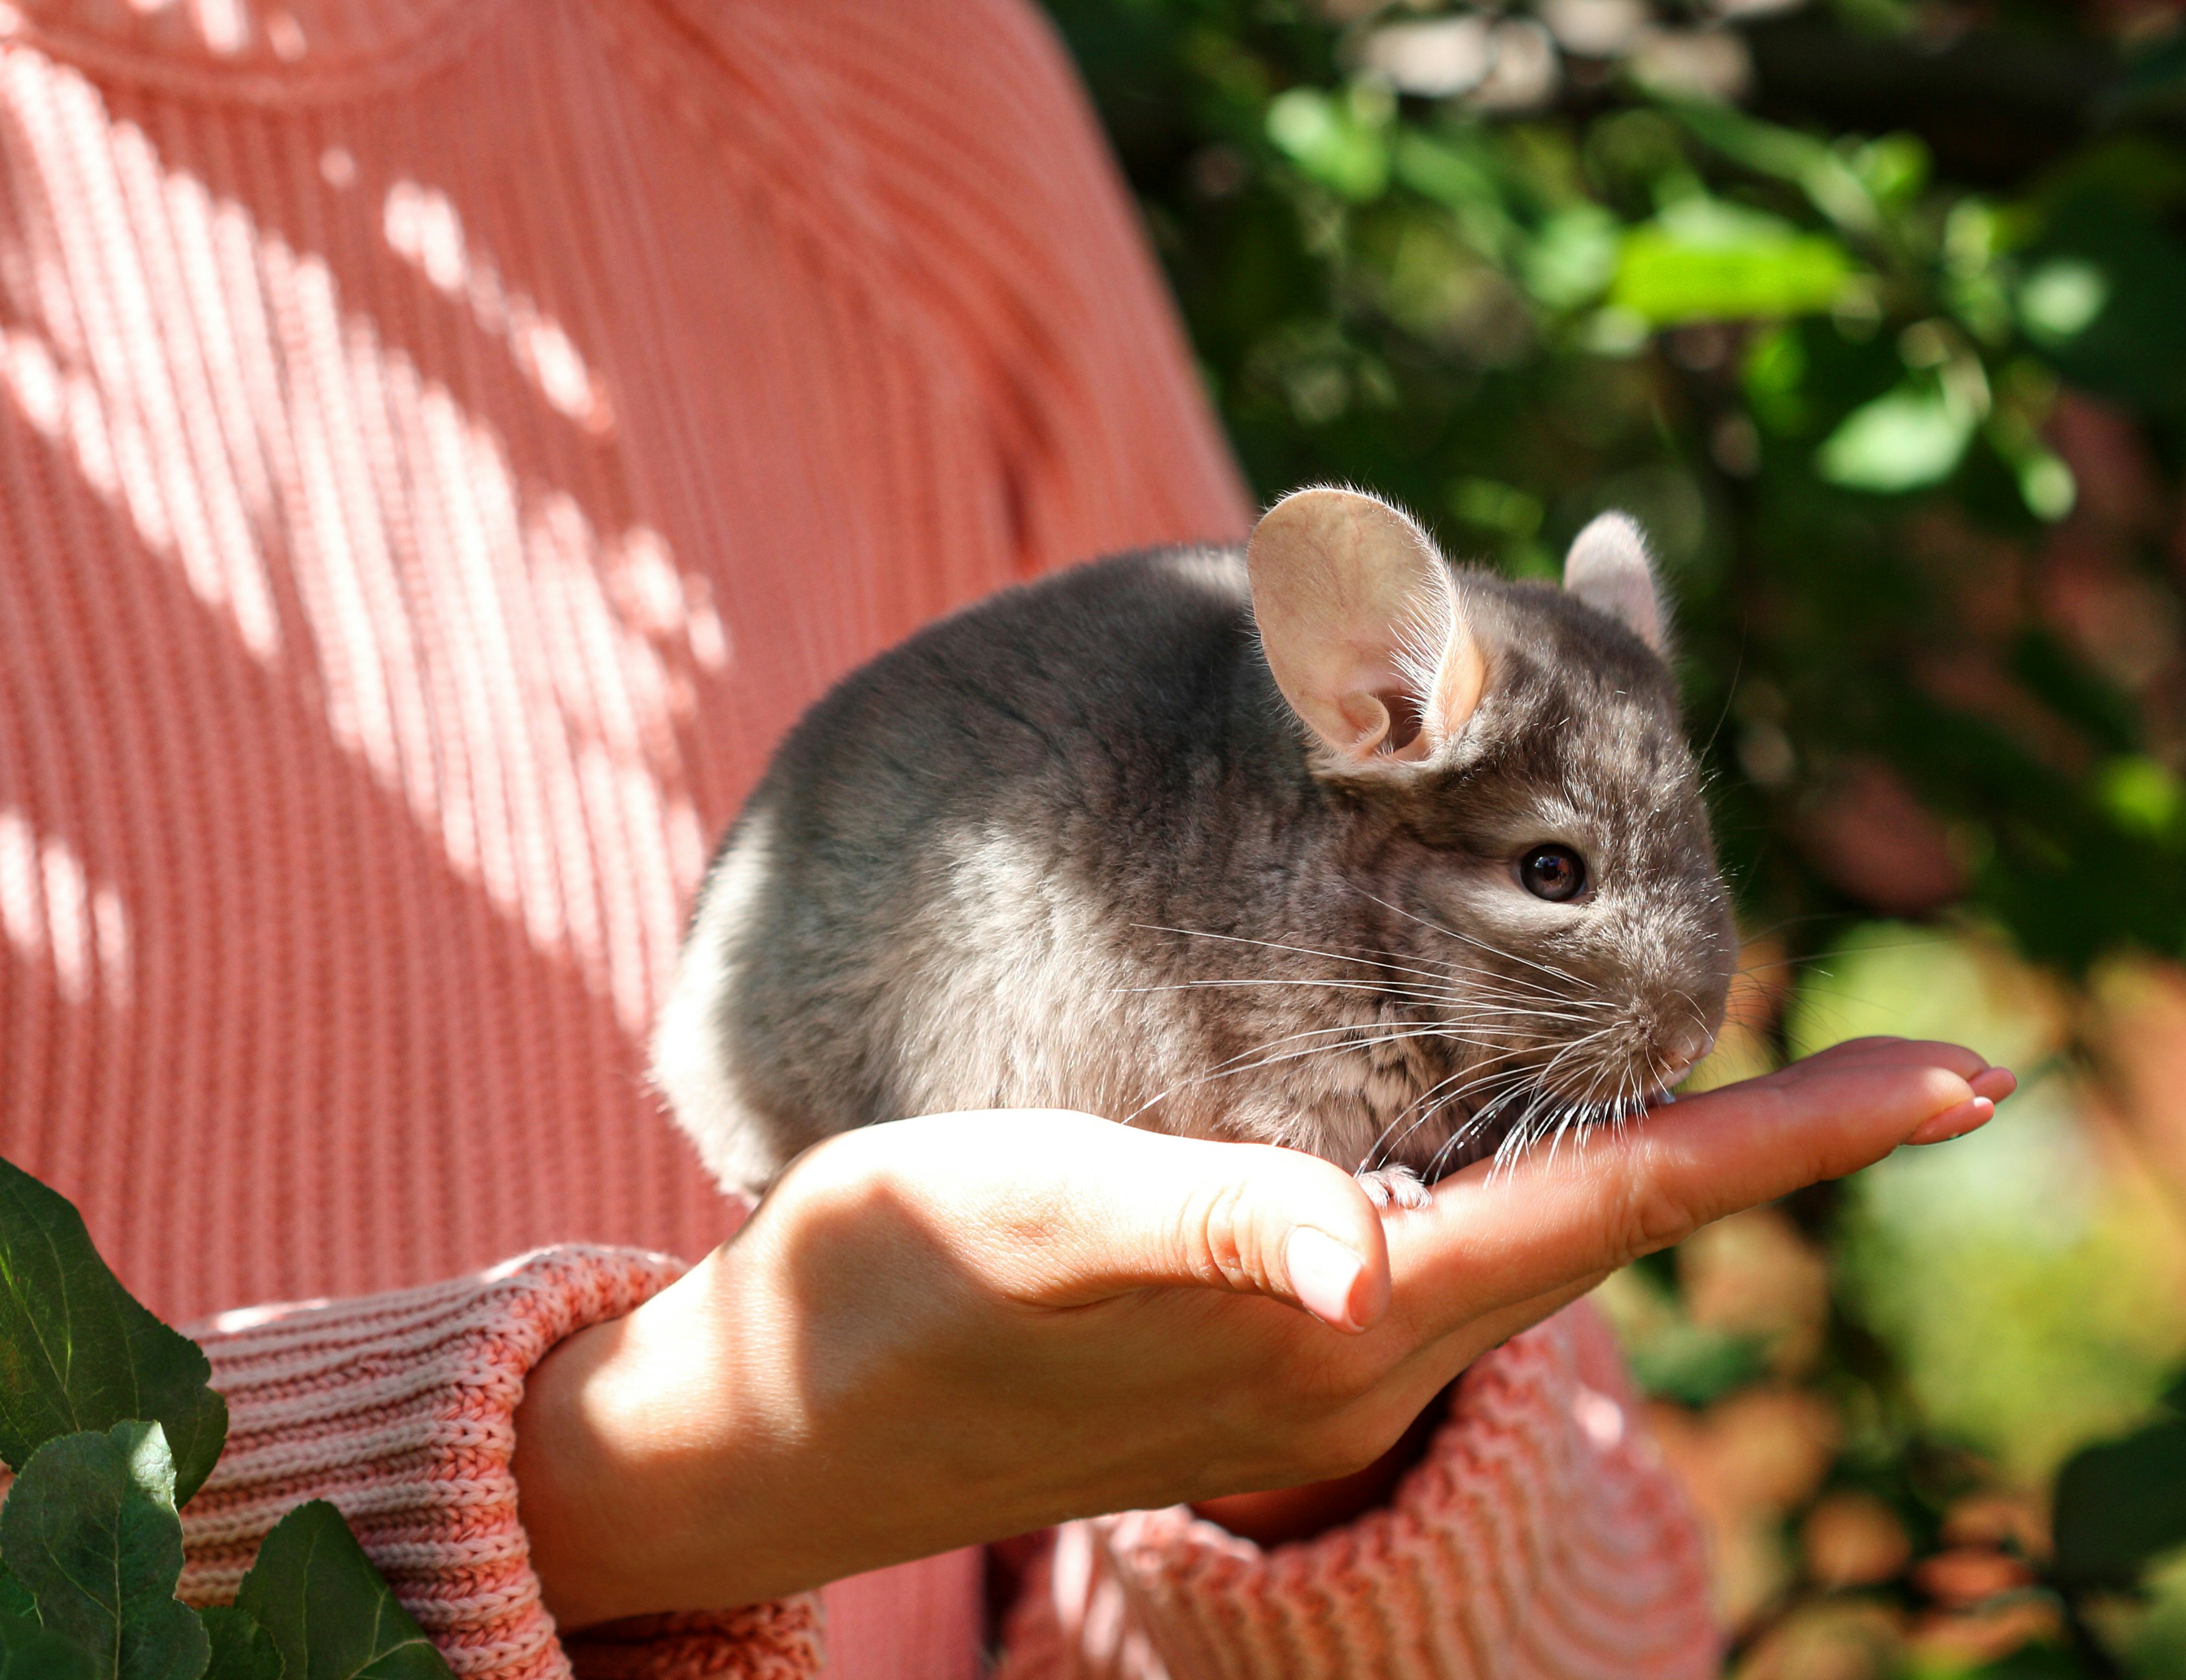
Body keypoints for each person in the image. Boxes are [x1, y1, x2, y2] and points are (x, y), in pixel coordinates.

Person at [0, 1, 2011, 1675]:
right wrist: (635, 1474)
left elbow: (1605, 1616)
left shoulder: (876, 67)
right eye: (1563, 888)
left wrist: (1307, 1455)